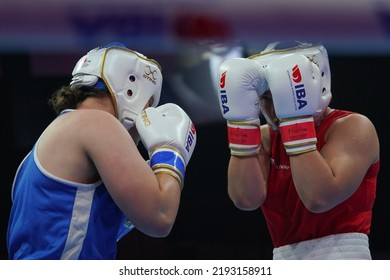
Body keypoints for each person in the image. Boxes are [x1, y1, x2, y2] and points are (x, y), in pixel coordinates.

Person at [6, 42, 197, 260]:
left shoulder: (40, 150)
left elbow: (83, 232)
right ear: (132, 90)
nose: (147, 114)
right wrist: (171, 152)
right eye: (148, 104)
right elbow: (160, 217)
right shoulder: (98, 123)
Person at [217, 42, 380, 259]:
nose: (275, 109)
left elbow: (318, 198)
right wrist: (241, 124)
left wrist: (295, 120)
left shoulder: (352, 127)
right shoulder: (265, 137)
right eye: (266, 98)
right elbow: (245, 199)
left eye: (283, 95)